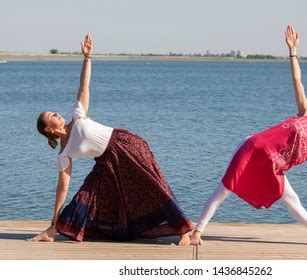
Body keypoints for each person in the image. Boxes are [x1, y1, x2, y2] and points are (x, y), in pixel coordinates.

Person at [190, 25, 307, 247]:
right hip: (252, 148)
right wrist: (293, 51)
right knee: (225, 188)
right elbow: (297, 80)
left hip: (271, 167)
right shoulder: (306, 113)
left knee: (293, 200)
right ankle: (197, 231)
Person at [30, 34, 193, 245]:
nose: (57, 114)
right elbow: (63, 187)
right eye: (51, 116)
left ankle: (184, 231)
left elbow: (84, 86)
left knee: (153, 185)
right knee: (87, 195)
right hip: (106, 161)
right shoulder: (64, 153)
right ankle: (54, 229)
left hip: (124, 145)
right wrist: (54, 217)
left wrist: (87, 58)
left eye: (54, 112)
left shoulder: (78, 115)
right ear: (48, 128)